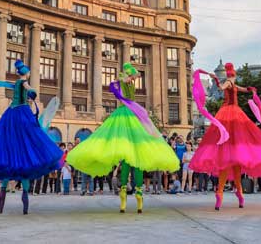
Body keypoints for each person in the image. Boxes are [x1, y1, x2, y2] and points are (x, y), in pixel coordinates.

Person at [67, 63, 179, 213]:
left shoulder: (130, 83)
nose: (134, 78)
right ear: (128, 74)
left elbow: (125, 81)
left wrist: (127, 78)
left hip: (132, 116)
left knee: (134, 160)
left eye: (134, 76)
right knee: (128, 160)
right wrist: (123, 78)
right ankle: (127, 196)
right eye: (133, 75)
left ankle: (134, 196)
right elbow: (114, 85)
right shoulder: (122, 81)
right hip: (125, 116)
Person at [190, 64, 261, 210]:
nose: (233, 77)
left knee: (230, 159)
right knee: (236, 152)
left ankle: (223, 193)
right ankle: (238, 193)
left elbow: (241, 89)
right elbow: (223, 87)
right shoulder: (230, 82)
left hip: (227, 113)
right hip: (233, 113)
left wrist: (250, 89)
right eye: (233, 75)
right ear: (233, 74)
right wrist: (219, 82)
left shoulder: (233, 83)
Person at [0, 60, 63, 214]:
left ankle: (0, 209)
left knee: (11, 141)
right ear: (26, 72)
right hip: (21, 113)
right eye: (29, 72)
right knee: (30, 136)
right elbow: (29, 89)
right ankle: (25, 210)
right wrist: (32, 92)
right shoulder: (23, 81)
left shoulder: (17, 82)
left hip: (11, 113)